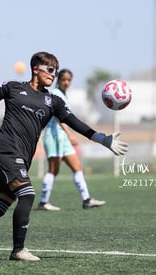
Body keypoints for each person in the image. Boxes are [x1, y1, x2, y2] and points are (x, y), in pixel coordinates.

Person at [0, 51, 128, 261]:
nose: (54, 75)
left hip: (22, 158)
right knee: (27, 194)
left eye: (56, 71)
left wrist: (103, 139)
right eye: (50, 70)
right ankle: (18, 250)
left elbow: (76, 123)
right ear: (36, 69)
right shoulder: (13, 87)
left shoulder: (53, 101)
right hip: (5, 151)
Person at [37, 69, 105, 211]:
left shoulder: (63, 95)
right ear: (58, 80)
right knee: (53, 170)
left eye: (69, 80)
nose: (66, 82)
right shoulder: (55, 94)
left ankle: (87, 200)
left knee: (77, 167)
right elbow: (57, 116)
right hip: (54, 136)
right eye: (64, 80)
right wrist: (69, 133)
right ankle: (43, 202)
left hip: (62, 138)